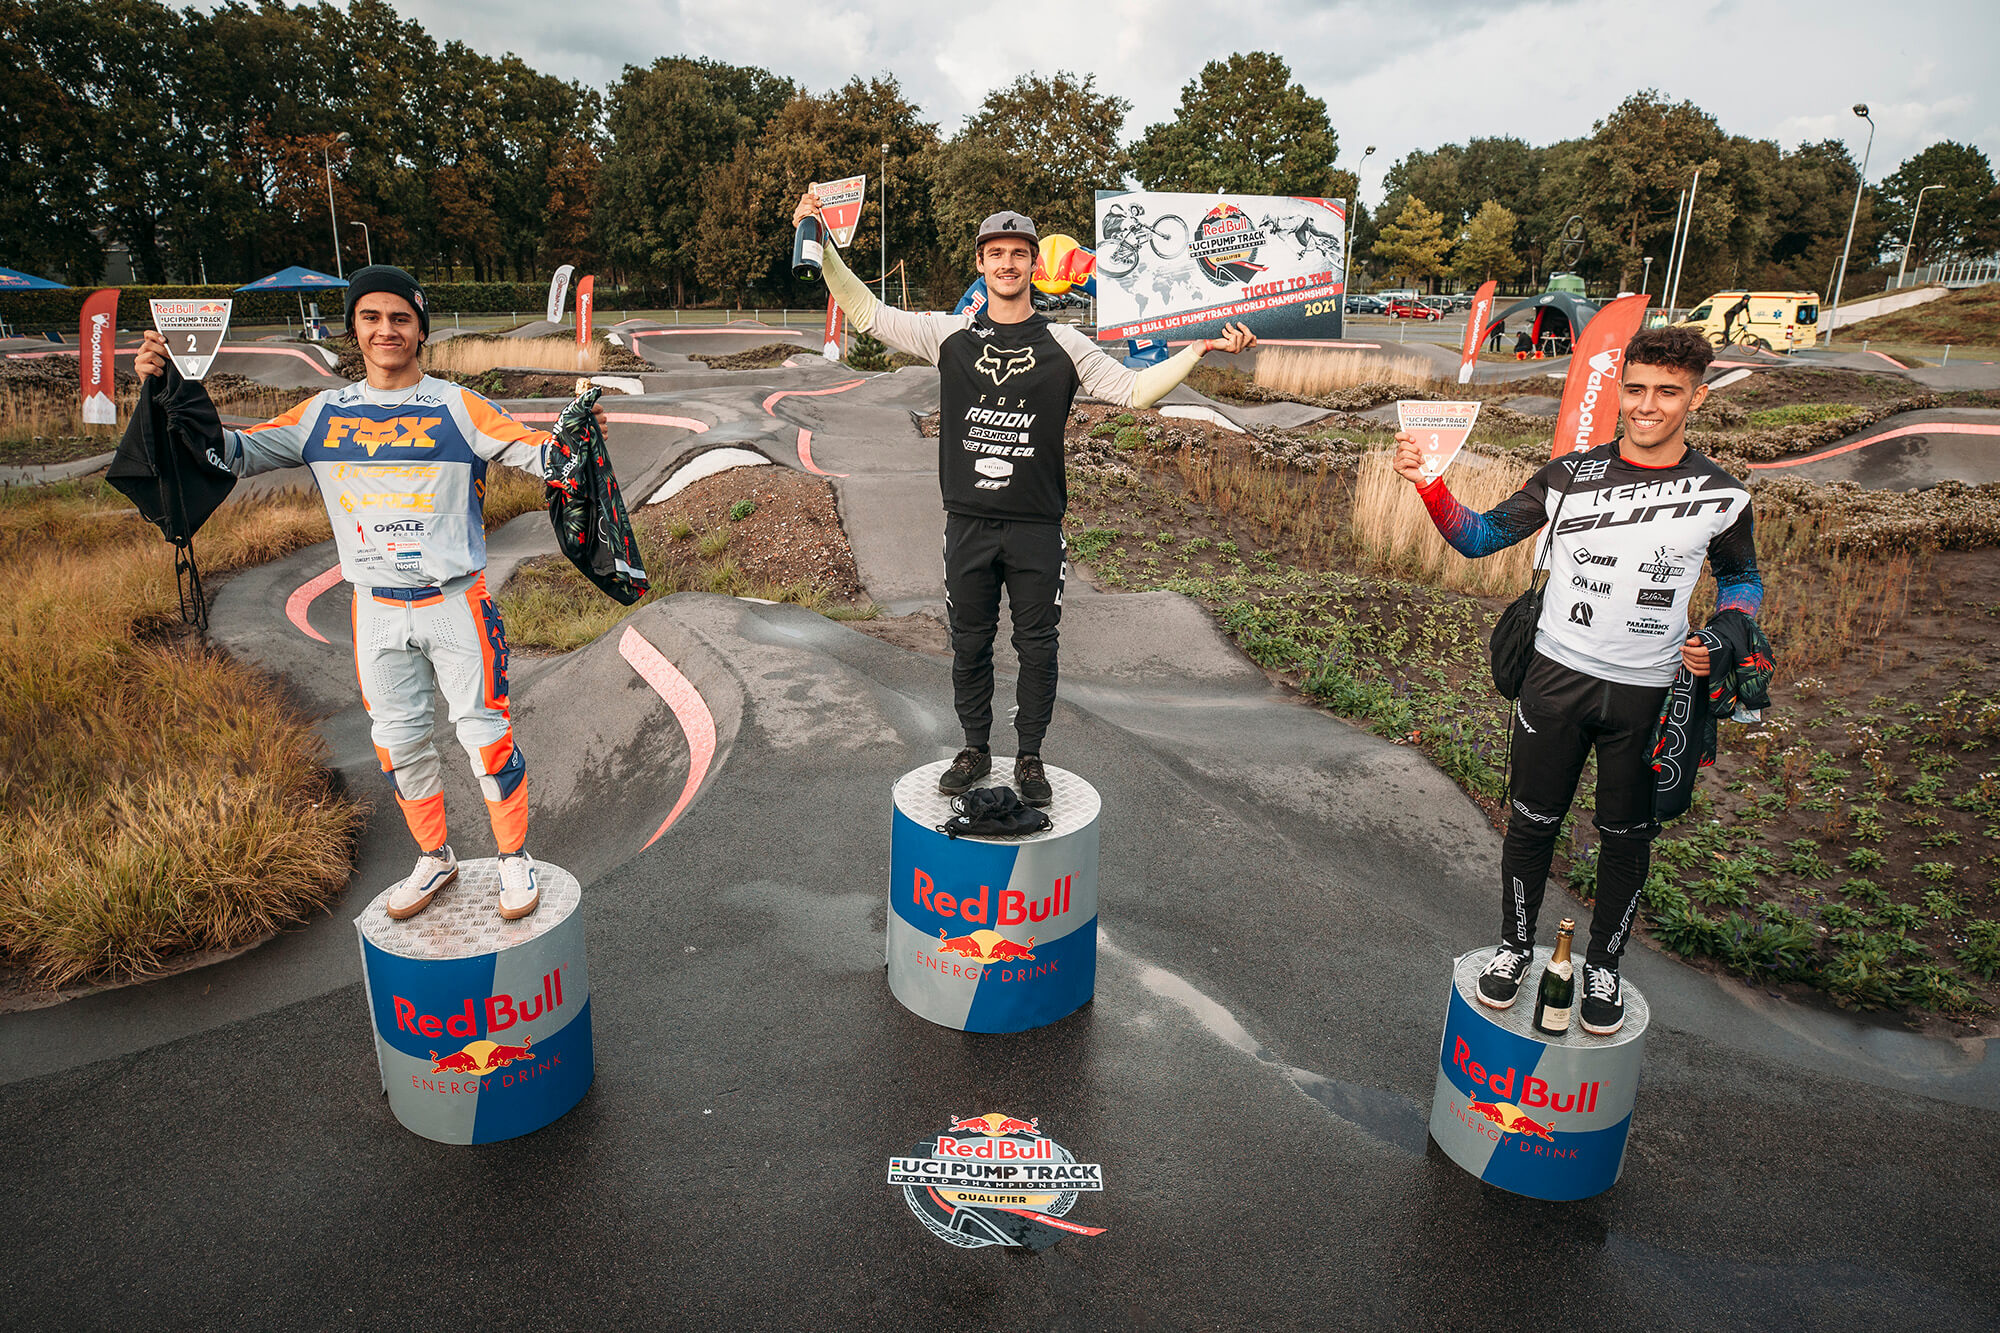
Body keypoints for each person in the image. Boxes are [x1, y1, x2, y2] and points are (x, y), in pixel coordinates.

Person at [135, 265, 601, 922]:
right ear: (355, 327)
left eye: (401, 318)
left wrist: (576, 434)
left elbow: (541, 455)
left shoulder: (458, 406)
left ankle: (512, 858)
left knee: (486, 735)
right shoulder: (323, 414)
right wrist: (168, 387)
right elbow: (230, 454)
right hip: (375, 610)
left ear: (420, 329)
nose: (387, 330)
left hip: (455, 602)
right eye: (371, 317)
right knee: (399, 741)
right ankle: (435, 857)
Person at [794, 190, 1255, 804]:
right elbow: (870, 315)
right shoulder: (948, 335)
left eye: (1018, 254)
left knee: (1037, 646)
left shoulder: (1066, 344)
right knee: (969, 641)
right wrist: (821, 243)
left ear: (1034, 265)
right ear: (981, 264)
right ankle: (975, 746)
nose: (1007, 264)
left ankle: (1031, 756)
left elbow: (1136, 392)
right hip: (968, 522)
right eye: (995, 254)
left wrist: (1198, 350)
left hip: (1037, 525)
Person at [1393, 325, 1761, 1034]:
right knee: (1531, 823)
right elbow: (1478, 537)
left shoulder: (1723, 496)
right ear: (1620, 388)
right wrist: (1429, 485)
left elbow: (1742, 580)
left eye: (1667, 392)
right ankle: (1511, 948)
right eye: (1636, 388)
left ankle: (1604, 966)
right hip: (1555, 679)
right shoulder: (1568, 476)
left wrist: (1723, 634)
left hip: (1648, 694)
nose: (1647, 406)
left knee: (1627, 838)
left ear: (1696, 397)